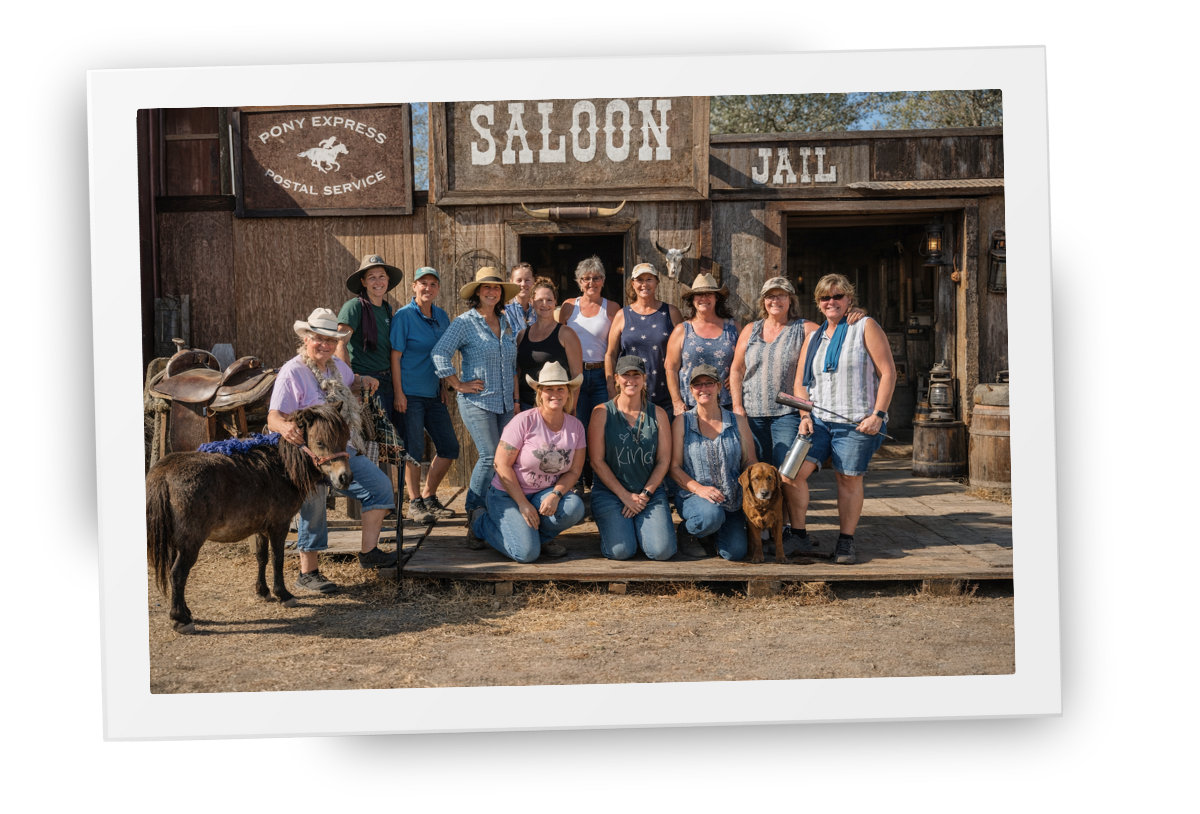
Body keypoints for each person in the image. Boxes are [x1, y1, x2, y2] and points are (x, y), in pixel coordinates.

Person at [729, 276, 867, 554]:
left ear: (791, 300)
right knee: (752, 472)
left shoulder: (804, 328)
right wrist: (737, 406)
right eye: (770, 296)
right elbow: (736, 369)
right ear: (763, 301)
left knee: (784, 476)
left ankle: (790, 533)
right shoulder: (751, 330)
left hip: (787, 414)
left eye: (781, 296)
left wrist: (855, 314)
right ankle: (756, 528)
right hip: (751, 415)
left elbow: (835, 330)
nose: (775, 301)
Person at [267, 308, 398, 594]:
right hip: (306, 454)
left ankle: (369, 553)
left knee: (380, 488)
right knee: (313, 499)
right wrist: (284, 428)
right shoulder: (293, 371)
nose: (324, 345)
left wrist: (364, 381)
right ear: (306, 339)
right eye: (318, 339)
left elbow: (351, 382)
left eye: (329, 340)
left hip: (340, 450)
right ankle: (308, 572)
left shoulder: (337, 367)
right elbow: (273, 416)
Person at [790, 273, 896, 565]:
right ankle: (798, 534)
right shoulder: (813, 337)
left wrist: (878, 414)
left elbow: (888, 372)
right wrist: (804, 414)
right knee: (792, 472)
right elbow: (800, 383)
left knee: (848, 479)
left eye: (838, 296)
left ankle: (846, 541)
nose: (831, 301)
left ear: (850, 299)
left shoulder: (865, 326)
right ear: (818, 303)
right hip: (819, 419)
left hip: (856, 420)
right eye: (825, 297)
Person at [467, 361, 587, 563]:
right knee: (526, 554)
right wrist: (522, 504)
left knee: (575, 507)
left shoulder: (576, 427)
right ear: (540, 393)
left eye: (561, 388)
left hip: (544, 493)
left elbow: (574, 471)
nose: (555, 393)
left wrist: (556, 494)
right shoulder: (523, 421)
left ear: (568, 392)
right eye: (549, 389)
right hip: (508, 495)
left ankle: (536, 536)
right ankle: (480, 521)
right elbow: (500, 464)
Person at [431, 267, 521, 525]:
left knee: (507, 457)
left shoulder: (506, 322)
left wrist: (515, 401)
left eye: (496, 288)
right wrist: (457, 384)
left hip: (505, 403)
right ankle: (474, 509)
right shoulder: (464, 322)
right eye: (486, 288)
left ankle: (498, 506)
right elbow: (439, 353)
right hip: (478, 401)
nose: (491, 292)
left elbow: (512, 365)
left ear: (501, 293)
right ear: (478, 293)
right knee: (490, 455)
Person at [587, 355, 676, 561]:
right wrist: (625, 496)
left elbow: (664, 460)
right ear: (616, 378)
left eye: (636, 375)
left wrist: (644, 495)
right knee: (621, 552)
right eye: (626, 375)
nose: (631, 380)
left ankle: (637, 526)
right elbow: (596, 461)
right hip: (610, 493)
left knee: (661, 551)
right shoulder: (602, 412)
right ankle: (616, 529)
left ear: (644, 379)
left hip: (649, 494)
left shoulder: (659, 413)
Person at [390, 267, 459, 525]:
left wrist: (443, 385)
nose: (427, 288)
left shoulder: (442, 316)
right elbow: (395, 357)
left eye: (432, 283)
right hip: (410, 393)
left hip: (434, 392)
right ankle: (415, 502)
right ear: (413, 286)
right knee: (414, 450)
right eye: (423, 283)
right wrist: (399, 393)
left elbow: (443, 353)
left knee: (450, 447)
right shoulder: (404, 316)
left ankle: (430, 497)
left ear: (438, 288)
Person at [669, 365, 758, 560]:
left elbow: (750, 460)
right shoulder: (682, 422)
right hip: (693, 496)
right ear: (691, 390)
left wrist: (756, 480)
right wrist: (699, 489)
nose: (703, 388)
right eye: (697, 384)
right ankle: (687, 532)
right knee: (710, 516)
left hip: (731, 499)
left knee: (735, 552)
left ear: (718, 387)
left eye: (709, 383)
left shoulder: (737, 421)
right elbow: (674, 467)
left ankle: (712, 533)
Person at [560, 255, 621, 496]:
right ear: (578, 281)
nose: (591, 283)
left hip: (600, 375)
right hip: (573, 377)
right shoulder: (567, 306)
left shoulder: (612, 308)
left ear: (603, 280)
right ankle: (574, 481)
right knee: (575, 427)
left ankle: (598, 482)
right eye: (586, 279)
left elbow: (615, 348)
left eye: (596, 278)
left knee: (600, 430)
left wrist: (611, 382)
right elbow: (557, 338)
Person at [335, 254, 402, 435]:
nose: (377, 281)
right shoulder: (354, 307)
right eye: (372, 277)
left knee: (391, 442)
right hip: (367, 383)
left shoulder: (387, 309)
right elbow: (340, 344)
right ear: (363, 282)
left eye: (381, 276)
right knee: (373, 440)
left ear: (388, 280)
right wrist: (351, 383)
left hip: (386, 382)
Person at [606, 262, 682, 420]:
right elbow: (610, 355)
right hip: (630, 395)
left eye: (649, 279)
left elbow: (683, 351)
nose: (644, 284)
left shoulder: (671, 313)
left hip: (665, 395)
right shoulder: (622, 315)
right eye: (640, 280)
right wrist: (612, 390)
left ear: (657, 283)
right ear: (633, 283)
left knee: (665, 443)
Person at [664, 273, 740, 416]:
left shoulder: (733, 328)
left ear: (717, 298)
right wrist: (676, 402)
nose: (704, 298)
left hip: (727, 402)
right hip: (691, 405)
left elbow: (747, 359)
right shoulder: (682, 330)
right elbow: (670, 368)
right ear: (692, 299)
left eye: (709, 294)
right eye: (699, 294)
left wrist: (738, 375)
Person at [516, 278, 583, 413]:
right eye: (540, 300)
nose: (545, 304)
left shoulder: (566, 334)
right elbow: (518, 372)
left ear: (555, 303)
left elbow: (577, 374)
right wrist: (516, 402)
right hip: (526, 406)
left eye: (549, 300)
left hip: (556, 406)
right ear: (532, 302)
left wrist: (572, 407)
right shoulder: (522, 335)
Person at [504, 261, 537, 332]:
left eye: (527, 280)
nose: (523, 284)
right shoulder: (505, 312)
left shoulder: (539, 310)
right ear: (511, 282)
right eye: (519, 280)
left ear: (533, 281)